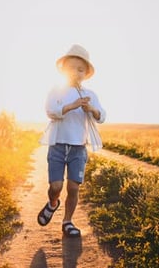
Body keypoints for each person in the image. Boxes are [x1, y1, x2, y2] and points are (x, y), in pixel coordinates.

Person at [37, 44, 106, 237]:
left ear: (86, 73)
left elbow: (102, 116)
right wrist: (71, 105)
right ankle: (52, 203)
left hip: (78, 148)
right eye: (71, 68)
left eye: (80, 69)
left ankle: (67, 221)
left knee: (74, 187)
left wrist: (91, 109)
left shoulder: (91, 95)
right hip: (58, 145)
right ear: (63, 70)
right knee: (56, 186)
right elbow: (50, 111)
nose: (76, 72)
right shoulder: (57, 91)